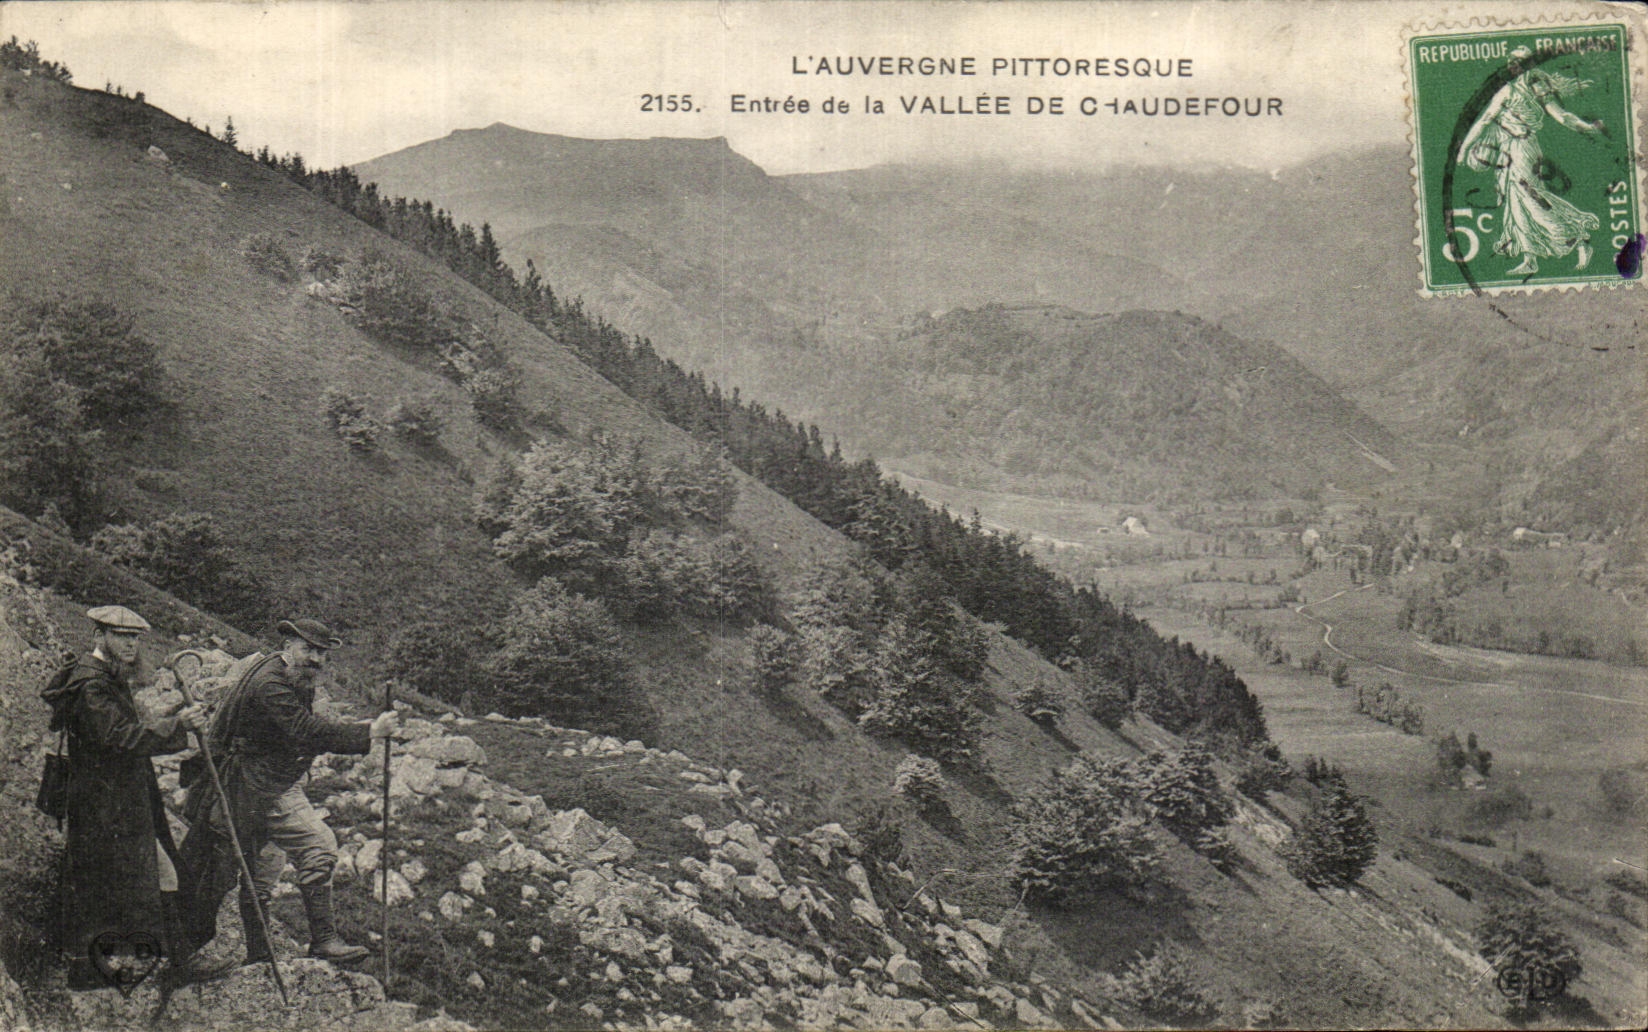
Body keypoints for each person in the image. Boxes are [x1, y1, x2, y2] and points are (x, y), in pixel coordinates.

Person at [175, 618, 397, 968]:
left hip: (256, 785)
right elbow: (303, 729)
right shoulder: (270, 684)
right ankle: (324, 940)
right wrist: (370, 731)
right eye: (308, 649)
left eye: (322, 653)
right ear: (288, 646)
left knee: (262, 870)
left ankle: (260, 955)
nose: (316, 659)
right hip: (259, 786)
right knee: (320, 846)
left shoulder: (287, 674)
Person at [40, 605, 216, 989]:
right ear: (98, 636)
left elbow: (121, 729)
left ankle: (163, 961)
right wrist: (178, 725)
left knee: (108, 878)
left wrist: (170, 719)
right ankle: (174, 964)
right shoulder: (92, 684)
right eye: (121, 636)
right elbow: (119, 737)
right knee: (128, 877)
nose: (131, 644)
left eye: (135, 637)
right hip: (106, 804)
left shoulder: (102, 676)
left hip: (110, 799)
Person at [1456, 46, 1605, 275]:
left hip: (1524, 148)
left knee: (1531, 198)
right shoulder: (1507, 89)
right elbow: (1484, 120)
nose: (1514, 66)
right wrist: (1464, 149)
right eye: (1512, 61)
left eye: (1520, 62)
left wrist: (1586, 127)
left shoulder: (1536, 88)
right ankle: (1530, 258)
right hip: (1507, 149)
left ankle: (1578, 237)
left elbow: (1561, 116)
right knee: (1516, 202)